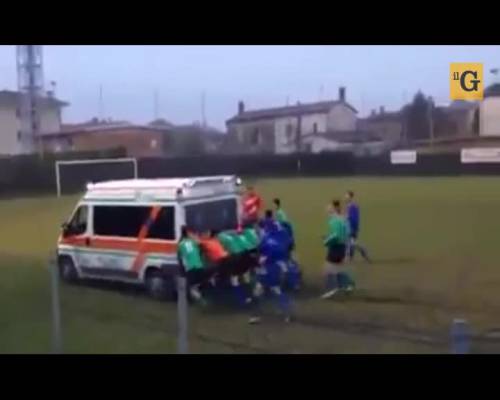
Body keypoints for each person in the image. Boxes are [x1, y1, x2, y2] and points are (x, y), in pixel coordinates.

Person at [251, 221, 293, 324]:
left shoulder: (265, 240)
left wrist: (259, 261)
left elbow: (262, 258)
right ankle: (287, 314)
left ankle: (256, 316)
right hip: (277, 269)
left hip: (268, 270)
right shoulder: (280, 237)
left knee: (257, 292)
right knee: (277, 291)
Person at [321, 200, 354, 299]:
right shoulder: (343, 219)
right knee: (338, 268)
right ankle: (348, 285)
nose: (327, 208)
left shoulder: (333, 220)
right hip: (342, 246)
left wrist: (326, 241)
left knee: (327, 269)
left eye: (329, 207)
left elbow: (336, 236)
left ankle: (332, 289)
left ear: (334, 209)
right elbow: (346, 234)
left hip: (336, 247)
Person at [177, 226, 208, 305]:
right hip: (199, 266)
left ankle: (200, 299)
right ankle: (199, 297)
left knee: (191, 287)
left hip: (190, 268)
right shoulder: (193, 241)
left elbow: (180, 258)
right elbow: (200, 247)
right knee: (197, 284)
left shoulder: (180, 244)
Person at [345, 190, 371, 263]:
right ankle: (351, 258)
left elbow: (353, 217)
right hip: (351, 226)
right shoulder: (350, 205)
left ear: (351, 197)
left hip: (352, 227)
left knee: (351, 243)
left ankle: (363, 251)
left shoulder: (352, 205)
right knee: (350, 243)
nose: (345, 197)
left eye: (347, 196)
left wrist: (347, 220)